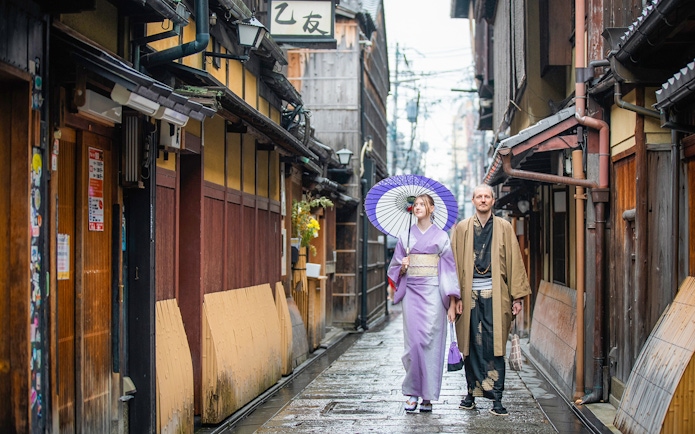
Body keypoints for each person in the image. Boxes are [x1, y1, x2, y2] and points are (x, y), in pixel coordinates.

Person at [449, 184, 531, 416]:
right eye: (479, 197)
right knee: (470, 345)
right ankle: (470, 394)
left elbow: (514, 261)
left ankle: (497, 398)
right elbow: (453, 264)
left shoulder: (504, 227)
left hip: (498, 296)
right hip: (468, 296)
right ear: (473, 200)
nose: (483, 200)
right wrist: (454, 298)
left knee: (495, 346)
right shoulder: (463, 228)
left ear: (493, 201)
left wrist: (517, 298)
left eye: (487, 196)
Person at [387, 194, 460, 413]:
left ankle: (428, 395)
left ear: (431, 208)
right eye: (415, 205)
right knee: (414, 344)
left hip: (434, 292)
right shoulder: (405, 236)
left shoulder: (442, 237)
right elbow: (394, 268)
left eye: (422, 204)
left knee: (432, 342)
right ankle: (412, 392)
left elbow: (448, 269)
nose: (418, 207)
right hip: (411, 292)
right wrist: (403, 266)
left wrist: (453, 300)